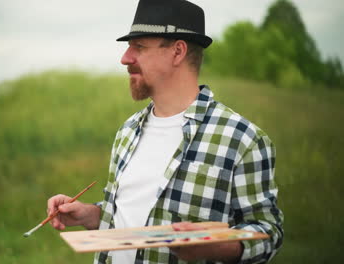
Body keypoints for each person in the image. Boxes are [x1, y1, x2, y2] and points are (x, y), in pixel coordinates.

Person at [47, 0, 284, 263]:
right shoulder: (128, 132)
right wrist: (90, 214)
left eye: (138, 46)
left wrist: (217, 247)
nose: (125, 58)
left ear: (177, 51)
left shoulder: (243, 140)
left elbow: (268, 232)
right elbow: (129, 215)